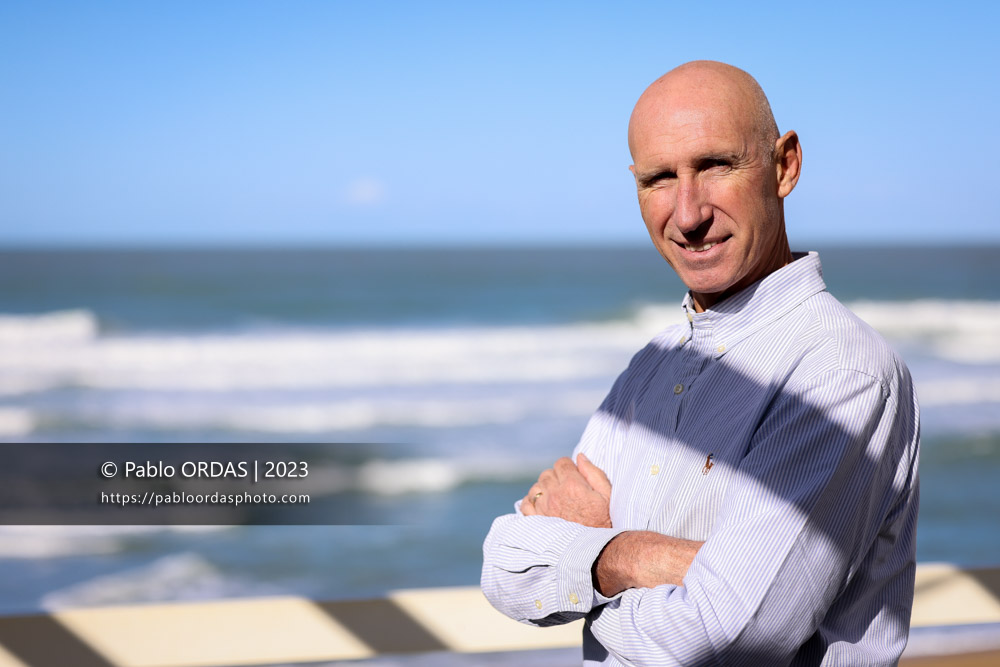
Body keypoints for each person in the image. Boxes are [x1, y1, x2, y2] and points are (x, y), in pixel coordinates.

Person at [481, 60, 920, 666]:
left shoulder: (837, 371)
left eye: (714, 166)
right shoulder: (653, 366)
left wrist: (587, 558)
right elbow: (502, 565)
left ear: (784, 165)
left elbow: (727, 636)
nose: (686, 214)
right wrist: (635, 556)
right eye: (659, 178)